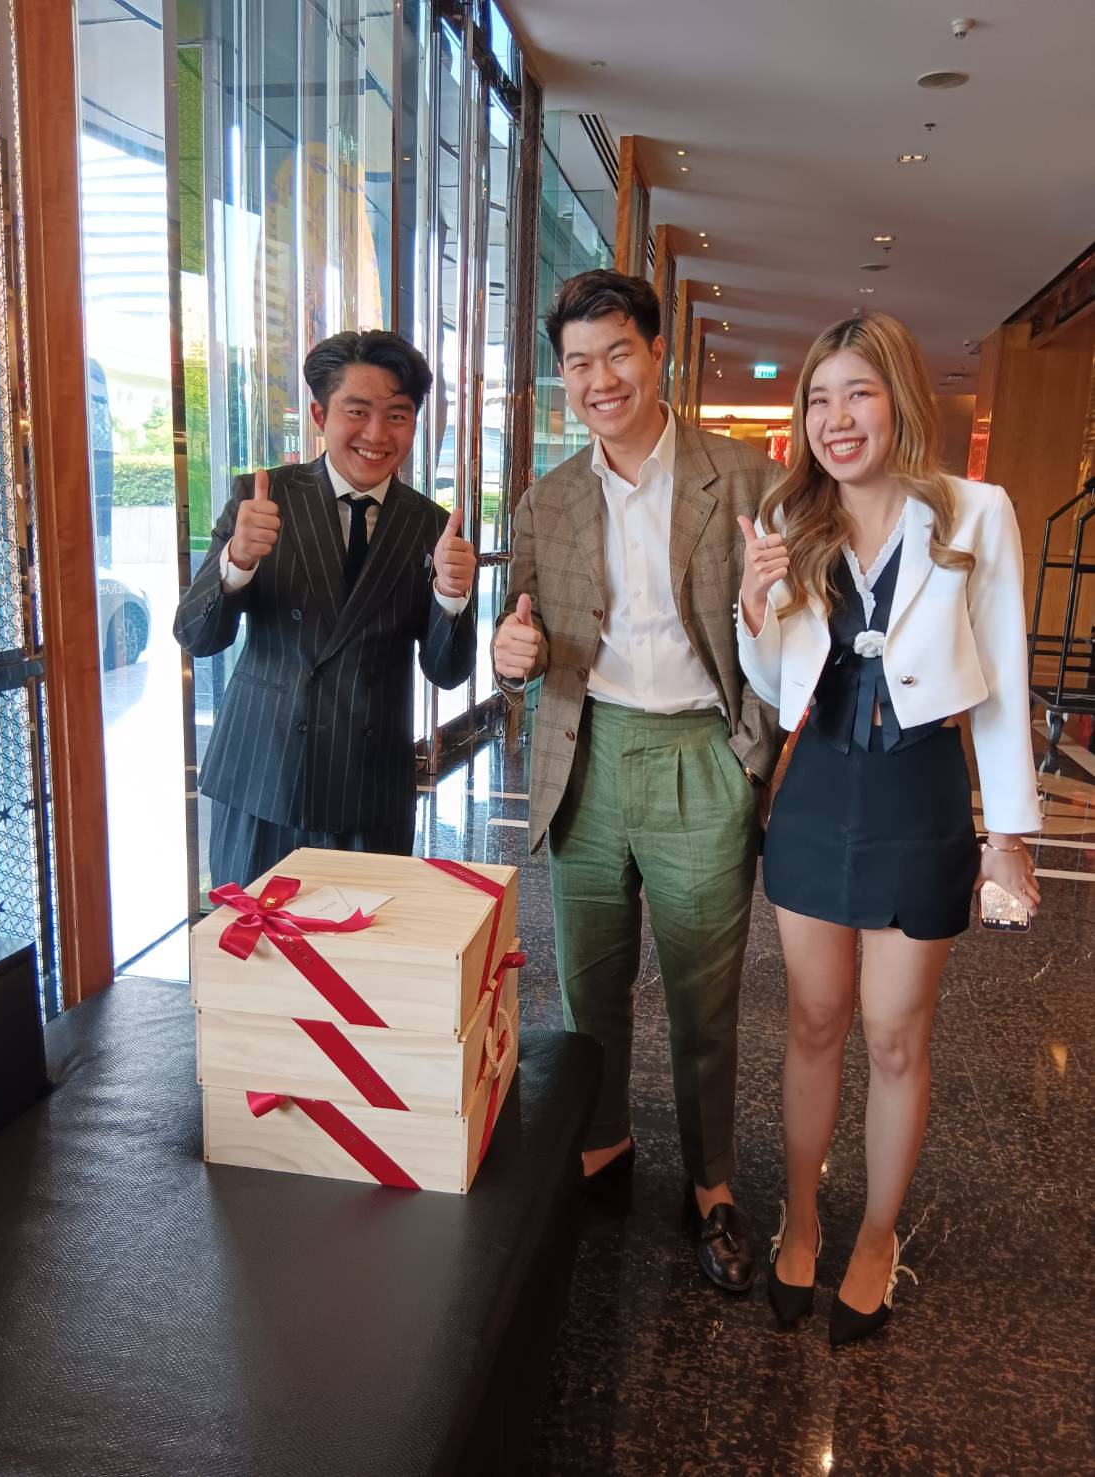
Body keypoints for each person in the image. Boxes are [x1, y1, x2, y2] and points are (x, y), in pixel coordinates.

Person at [735, 310, 1040, 1346]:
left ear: (898, 398)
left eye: (856, 393)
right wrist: (753, 603)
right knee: (813, 1023)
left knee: (893, 1034)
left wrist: (1008, 831)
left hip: (917, 797)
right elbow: (778, 681)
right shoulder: (790, 511)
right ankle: (804, 1215)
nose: (835, 418)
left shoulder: (971, 512)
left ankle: (875, 1233)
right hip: (816, 790)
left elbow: (1000, 678)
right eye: (817, 399)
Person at [493, 269, 783, 1294]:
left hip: (703, 751)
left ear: (656, 353)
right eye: (577, 363)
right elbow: (517, 626)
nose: (599, 378)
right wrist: (507, 651)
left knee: (704, 999)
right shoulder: (548, 498)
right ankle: (602, 1140)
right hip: (589, 755)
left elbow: (790, 626)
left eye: (617, 352)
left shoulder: (745, 479)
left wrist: (753, 752)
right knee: (587, 987)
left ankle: (711, 1183)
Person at [174, 330, 477, 888]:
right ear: (320, 413)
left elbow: (448, 671)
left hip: (368, 789)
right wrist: (237, 561)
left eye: (397, 416)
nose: (376, 434)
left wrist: (451, 598)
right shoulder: (262, 499)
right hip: (261, 776)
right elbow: (196, 635)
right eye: (356, 411)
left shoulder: (433, 526)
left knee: (356, 966)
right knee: (254, 956)